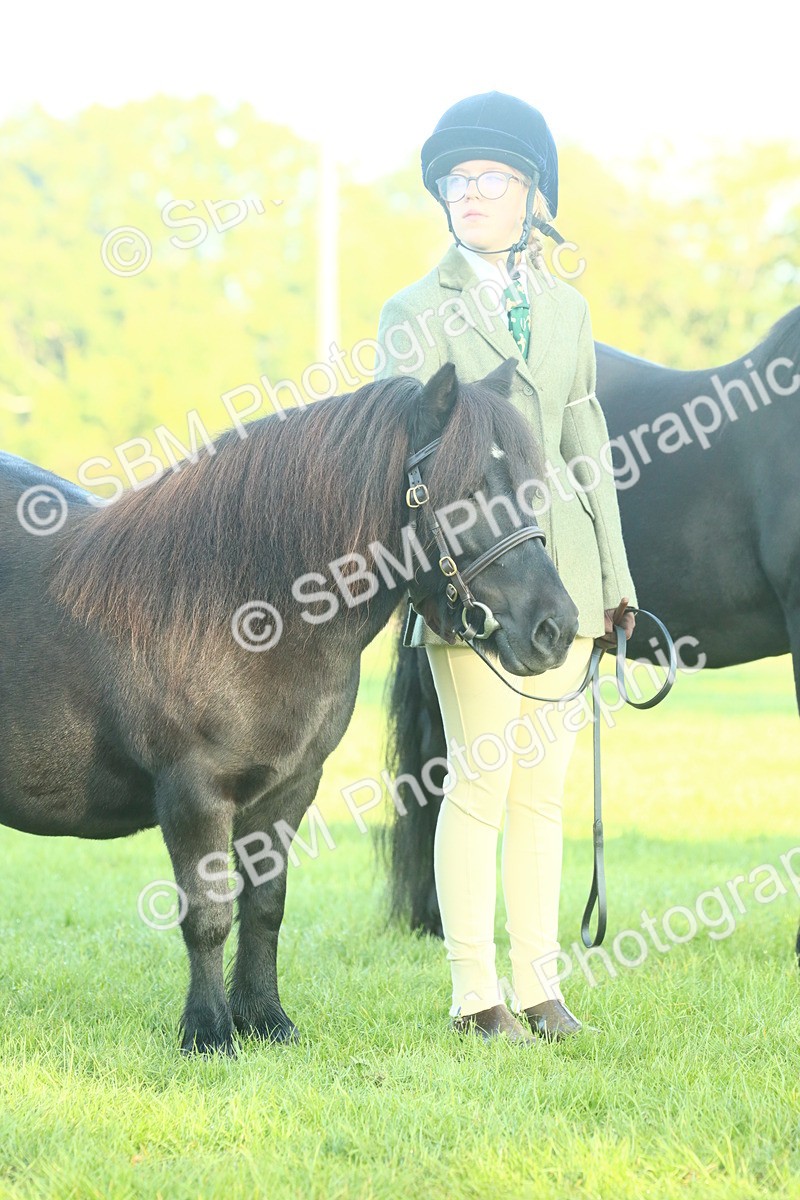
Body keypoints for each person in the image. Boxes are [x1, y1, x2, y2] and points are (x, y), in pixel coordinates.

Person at [375, 91, 638, 1044]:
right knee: (478, 787)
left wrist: (616, 582)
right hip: (477, 581)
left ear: (534, 194)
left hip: (563, 582)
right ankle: (474, 996)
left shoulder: (568, 308)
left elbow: (587, 445)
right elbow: (404, 454)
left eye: (490, 178)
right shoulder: (414, 312)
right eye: (457, 181)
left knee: (541, 794)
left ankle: (540, 988)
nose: (470, 194)